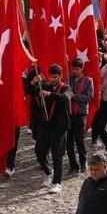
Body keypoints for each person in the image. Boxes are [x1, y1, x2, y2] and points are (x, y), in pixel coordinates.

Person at [33, 64, 72, 193]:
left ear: (60, 76)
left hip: (59, 126)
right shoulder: (45, 86)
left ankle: (57, 182)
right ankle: (48, 171)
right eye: (51, 77)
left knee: (57, 155)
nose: (52, 79)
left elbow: (65, 98)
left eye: (55, 77)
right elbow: (31, 90)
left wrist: (50, 94)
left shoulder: (66, 88)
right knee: (39, 151)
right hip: (45, 125)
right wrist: (34, 82)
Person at [67, 58, 94, 175]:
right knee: (68, 142)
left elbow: (89, 97)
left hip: (81, 113)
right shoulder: (69, 79)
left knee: (79, 139)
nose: (75, 71)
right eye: (73, 69)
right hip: (69, 113)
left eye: (77, 69)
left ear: (82, 68)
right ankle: (73, 165)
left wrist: (74, 96)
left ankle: (83, 162)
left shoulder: (88, 81)